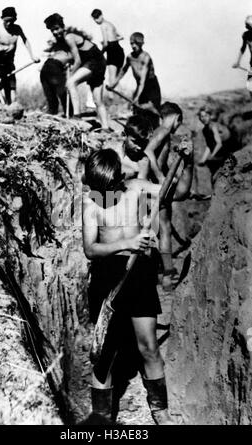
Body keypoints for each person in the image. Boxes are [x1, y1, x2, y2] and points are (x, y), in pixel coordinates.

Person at [82, 148, 175, 425]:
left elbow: (172, 191)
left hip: (139, 275)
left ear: (119, 178)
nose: (104, 194)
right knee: (105, 355)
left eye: (109, 187)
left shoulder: (136, 189)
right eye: (99, 188)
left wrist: (184, 159)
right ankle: (101, 419)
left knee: (148, 346)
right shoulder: (91, 203)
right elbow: (90, 249)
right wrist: (127, 244)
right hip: (107, 279)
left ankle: (161, 410)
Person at [144, 103, 193, 291]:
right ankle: (167, 274)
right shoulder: (163, 130)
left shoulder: (161, 131)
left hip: (154, 186)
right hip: (154, 186)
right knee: (162, 228)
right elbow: (148, 151)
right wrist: (160, 176)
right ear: (177, 117)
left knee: (159, 227)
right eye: (179, 122)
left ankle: (164, 274)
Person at [44, 13, 109, 130]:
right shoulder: (65, 40)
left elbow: (78, 60)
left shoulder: (69, 37)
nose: (55, 32)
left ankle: (77, 116)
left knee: (70, 83)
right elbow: (75, 57)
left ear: (63, 27)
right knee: (97, 100)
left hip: (95, 61)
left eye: (57, 29)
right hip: (98, 62)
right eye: (52, 30)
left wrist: (71, 74)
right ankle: (106, 127)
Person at [111, 32, 161, 125]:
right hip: (140, 86)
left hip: (151, 87)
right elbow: (123, 71)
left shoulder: (146, 57)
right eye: (131, 43)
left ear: (141, 43)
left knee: (152, 111)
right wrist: (113, 84)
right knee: (137, 110)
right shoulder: (130, 57)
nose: (133, 46)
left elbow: (143, 81)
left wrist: (137, 97)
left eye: (136, 43)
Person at [0, 7, 39, 104]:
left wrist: (32, 55)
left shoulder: (17, 29)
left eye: (11, 21)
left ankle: (13, 112)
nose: (9, 23)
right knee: (1, 96)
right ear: (2, 19)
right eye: (6, 21)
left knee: (12, 95)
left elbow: (25, 40)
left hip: (9, 65)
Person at [91, 9, 124, 99]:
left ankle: (112, 100)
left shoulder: (103, 25)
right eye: (94, 19)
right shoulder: (110, 24)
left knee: (111, 77)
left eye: (97, 18)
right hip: (119, 50)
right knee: (117, 78)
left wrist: (101, 53)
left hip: (112, 50)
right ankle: (120, 100)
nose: (96, 21)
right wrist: (113, 40)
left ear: (101, 15)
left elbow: (105, 43)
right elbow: (121, 36)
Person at [197, 105, 233, 187]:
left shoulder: (213, 126)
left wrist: (212, 156)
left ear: (210, 116)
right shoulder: (205, 130)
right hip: (220, 152)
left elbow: (219, 143)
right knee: (212, 174)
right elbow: (209, 146)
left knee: (219, 174)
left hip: (227, 150)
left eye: (206, 116)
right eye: (201, 116)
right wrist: (203, 159)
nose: (204, 118)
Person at [41, 29, 74, 116]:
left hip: (46, 67)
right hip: (53, 66)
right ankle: (69, 115)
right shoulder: (67, 48)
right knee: (61, 93)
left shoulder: (65, 49)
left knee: (52, 96)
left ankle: (54, 113)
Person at [233, 15, 252, 107]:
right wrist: (238, 62)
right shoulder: (245, 35)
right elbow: (243, 48)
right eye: (246, 25)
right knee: (250, 87)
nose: (246, 27)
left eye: (248, 25)